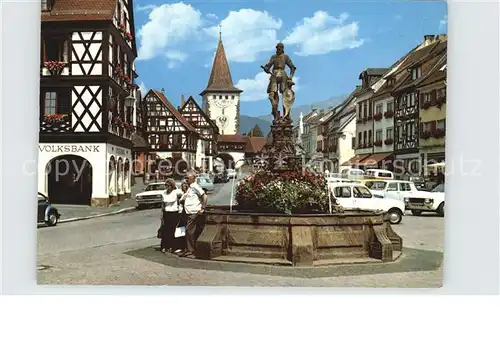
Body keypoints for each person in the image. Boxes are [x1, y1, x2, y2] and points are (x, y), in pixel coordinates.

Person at [180, 172, 208, 258]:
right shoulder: (190, 188)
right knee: (190, 231)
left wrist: (202, 208)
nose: (186, 179)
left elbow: (205, 196)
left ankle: (191, 251)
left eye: (187, 178)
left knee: (189, 231)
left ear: (193, 178)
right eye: (186, 178)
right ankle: (190, 250)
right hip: (189, 212)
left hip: (194, 212)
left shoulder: (195, 186)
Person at [159, 178, 182, 254]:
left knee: (173, 230)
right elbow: (163, 205)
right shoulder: (163, 193)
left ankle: (174, 247)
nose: (167, 187)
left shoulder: (176, 192)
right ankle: (165, 246)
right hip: (167, 213)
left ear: (172, 186)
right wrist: (162, 215)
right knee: (166, 230)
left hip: (174, 213)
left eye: (168, 185)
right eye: (166, 185)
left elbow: (183, 196)